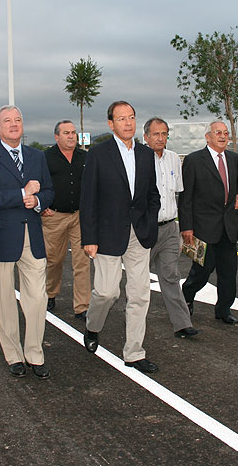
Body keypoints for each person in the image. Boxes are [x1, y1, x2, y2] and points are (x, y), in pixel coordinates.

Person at [80, 101, 160, 374]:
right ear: (111, 124)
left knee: (139, 294)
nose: (128, 123)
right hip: (106, 234)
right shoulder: (99, 154)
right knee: (106, 292)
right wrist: (89, 237)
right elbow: (88, 198)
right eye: (121, 118)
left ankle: (134, 352)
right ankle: (93, 326)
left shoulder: (147, 155)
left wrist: (150, 221)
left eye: (132, 117)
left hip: (139, 233)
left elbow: (152, 195)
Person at [0, 105, 54, 380]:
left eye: (18, 120)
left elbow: (48, 190)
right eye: (7, 121)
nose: (13, 124)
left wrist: (38, 200)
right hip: (1, 237)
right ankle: (13, 354)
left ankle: (34, 353)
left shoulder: (37, 156)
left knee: (36, 299)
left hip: (32, 236)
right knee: (5, 300)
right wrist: (22, 193)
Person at [179, 121, 238, 324]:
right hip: (203, 227)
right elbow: (186, 197)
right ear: (208, 137)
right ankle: (187, 296)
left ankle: (223, 310)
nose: (223, 136)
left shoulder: (233, 158)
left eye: (226, 133)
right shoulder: (194, 160)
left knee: (228, 272)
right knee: (202, 271)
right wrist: (186, 227)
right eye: (218, 133)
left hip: (228, 227)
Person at [143, 117, 200, 339]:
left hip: (169, 228)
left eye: (164, 134)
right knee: (137, 281)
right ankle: (131, 321)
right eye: (155, 134)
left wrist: (183, 227)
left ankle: (182, 323)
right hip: (144, 231)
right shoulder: (138, 159)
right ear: (146, 137)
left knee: (171, 276)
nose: (160, 138)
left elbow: (179, 194)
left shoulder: (174, 159)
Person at [42, 120, 90, 319]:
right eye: (66, 133)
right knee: (54, 260)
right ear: (56, 136)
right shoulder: (45, 158)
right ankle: (50, 293)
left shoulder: (85, 157)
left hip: (80, 216)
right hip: (54, 217)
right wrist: (41, 205)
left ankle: (82, 306)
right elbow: (37, 182)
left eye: (73, 133)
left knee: (82, 262)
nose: (71, 136)